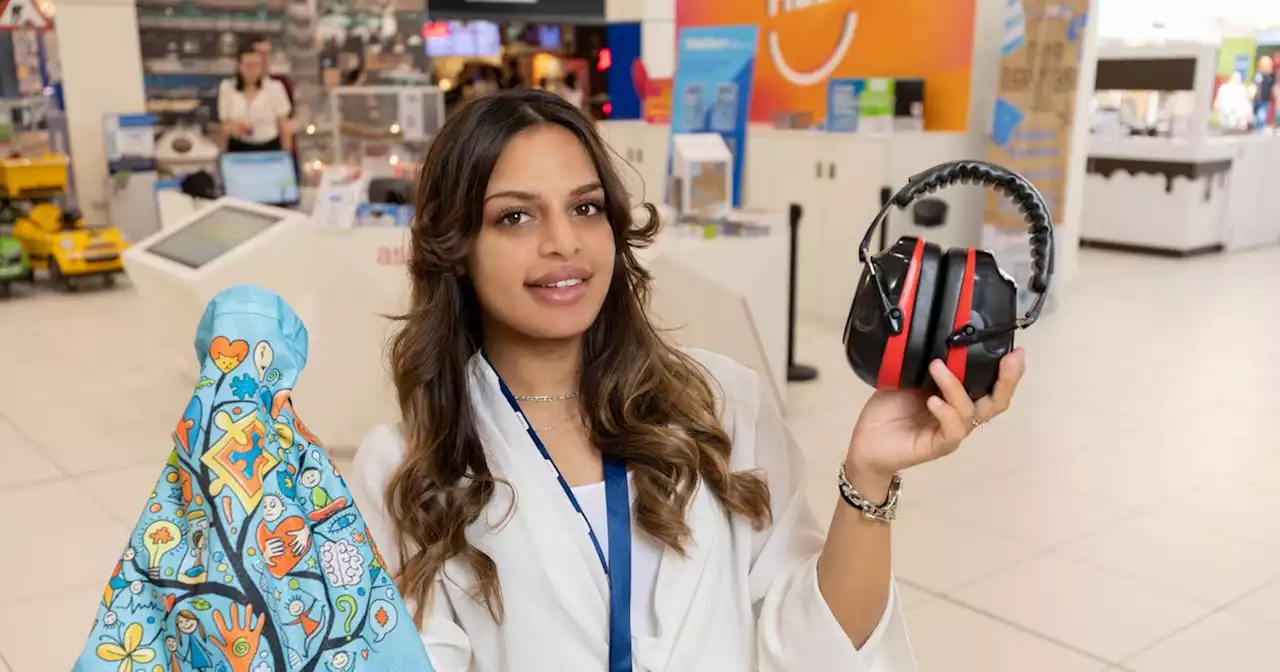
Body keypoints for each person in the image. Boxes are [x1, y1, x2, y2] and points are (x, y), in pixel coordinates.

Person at [350, 89, 1027, 671]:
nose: (564, 242)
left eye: (585, 207)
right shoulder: (406, 468)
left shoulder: (720, 402)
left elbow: (817, 649)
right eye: (515, 216)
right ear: (456, 249)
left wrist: (868, 478)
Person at [218, 44, 293, 153]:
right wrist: (236, 127)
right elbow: (224, 125)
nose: (252, 70)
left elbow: (284, 125)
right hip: (238, 147)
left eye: (256, 65)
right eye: (248, 65)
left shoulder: (275, 87)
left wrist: (287, 154)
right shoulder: (227, 87)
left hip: (269, 146)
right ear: (239, 66)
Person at [249, 34, 294, 110]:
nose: (265, 58)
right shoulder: (232, 87)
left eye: (268, 53)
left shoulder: (282, 83)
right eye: (261, 54)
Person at [1252, 56, 1275, 129]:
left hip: (1265, 101)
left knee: (1261, 116)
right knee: (1255, 116)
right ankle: (1257, 128)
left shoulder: (1270, 77)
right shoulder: (1257, 75)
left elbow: (1273, 88)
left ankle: (1259, 129)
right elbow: (1254, 86)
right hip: (1256, 100)